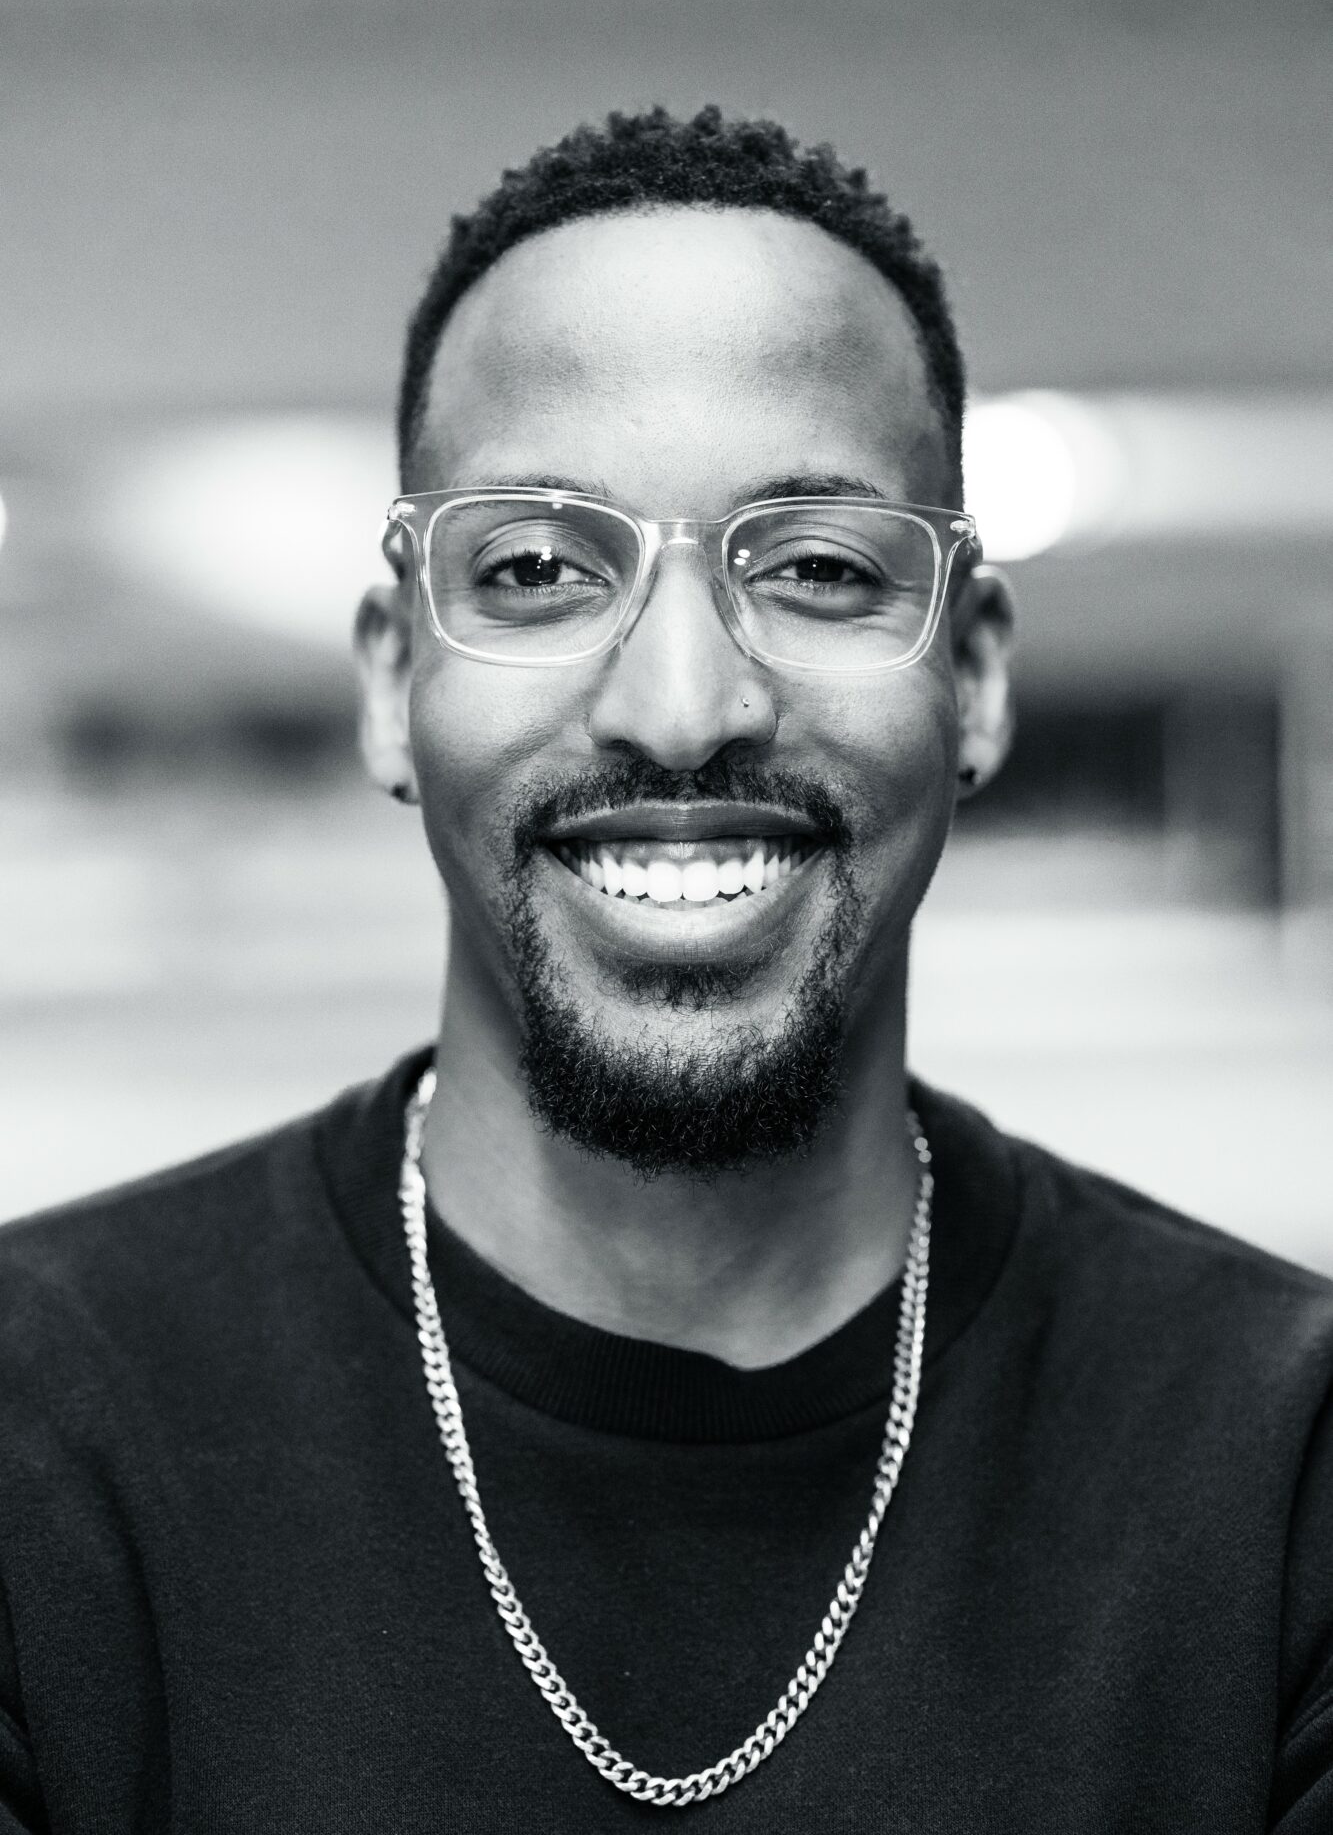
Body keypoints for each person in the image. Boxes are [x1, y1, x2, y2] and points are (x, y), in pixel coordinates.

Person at [2, 107, 1330, 1832]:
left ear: (974, 678)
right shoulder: (39, 1435)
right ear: (392, 680)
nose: (682, 704)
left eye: (820, 569)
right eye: (538, 571)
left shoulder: (1283, 1470)